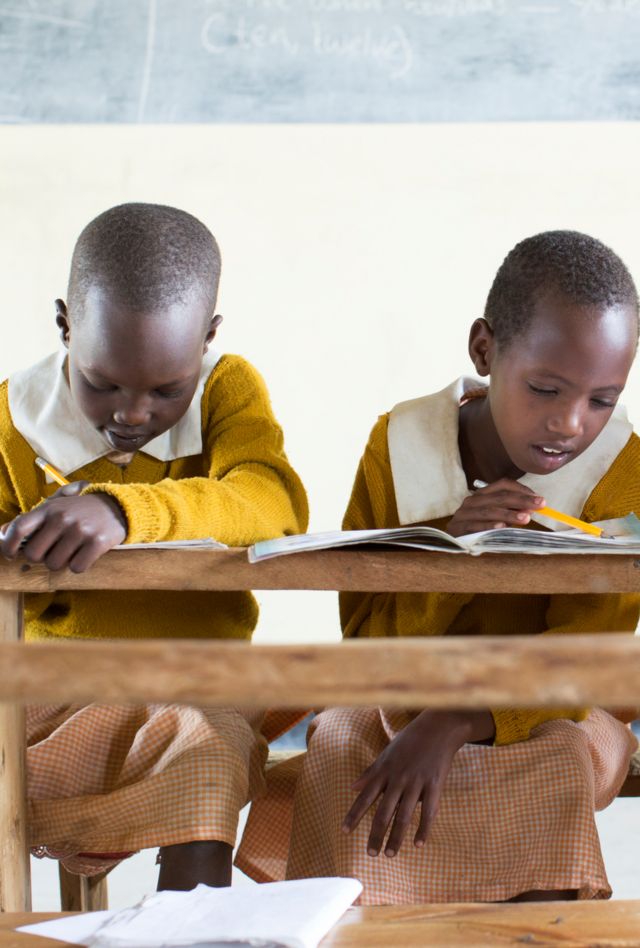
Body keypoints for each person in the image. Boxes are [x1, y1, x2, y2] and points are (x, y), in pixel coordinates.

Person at [237, 230, 640, 902]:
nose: (572, 423)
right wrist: (448, 549)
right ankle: (348, 924)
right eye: (544, 388)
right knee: (339, 738)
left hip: (556, 711)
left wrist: (455, 720)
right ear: (485, 349)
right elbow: (366, 645)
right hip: (401, 689)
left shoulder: (623, 471)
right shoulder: (399, 445)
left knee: (558, 760)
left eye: (602, 399)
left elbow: (583, 662)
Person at [0, 202, 308, 890]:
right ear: (65, 326)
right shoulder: (14, 417)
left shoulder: (227, 389)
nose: (132, 414)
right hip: (54, 699)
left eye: (166, 390)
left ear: (207, 339)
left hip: (196, 682)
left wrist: (121, 509)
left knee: (206, 738)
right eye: (101, 383)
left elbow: (271, 502)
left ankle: (195, 931)